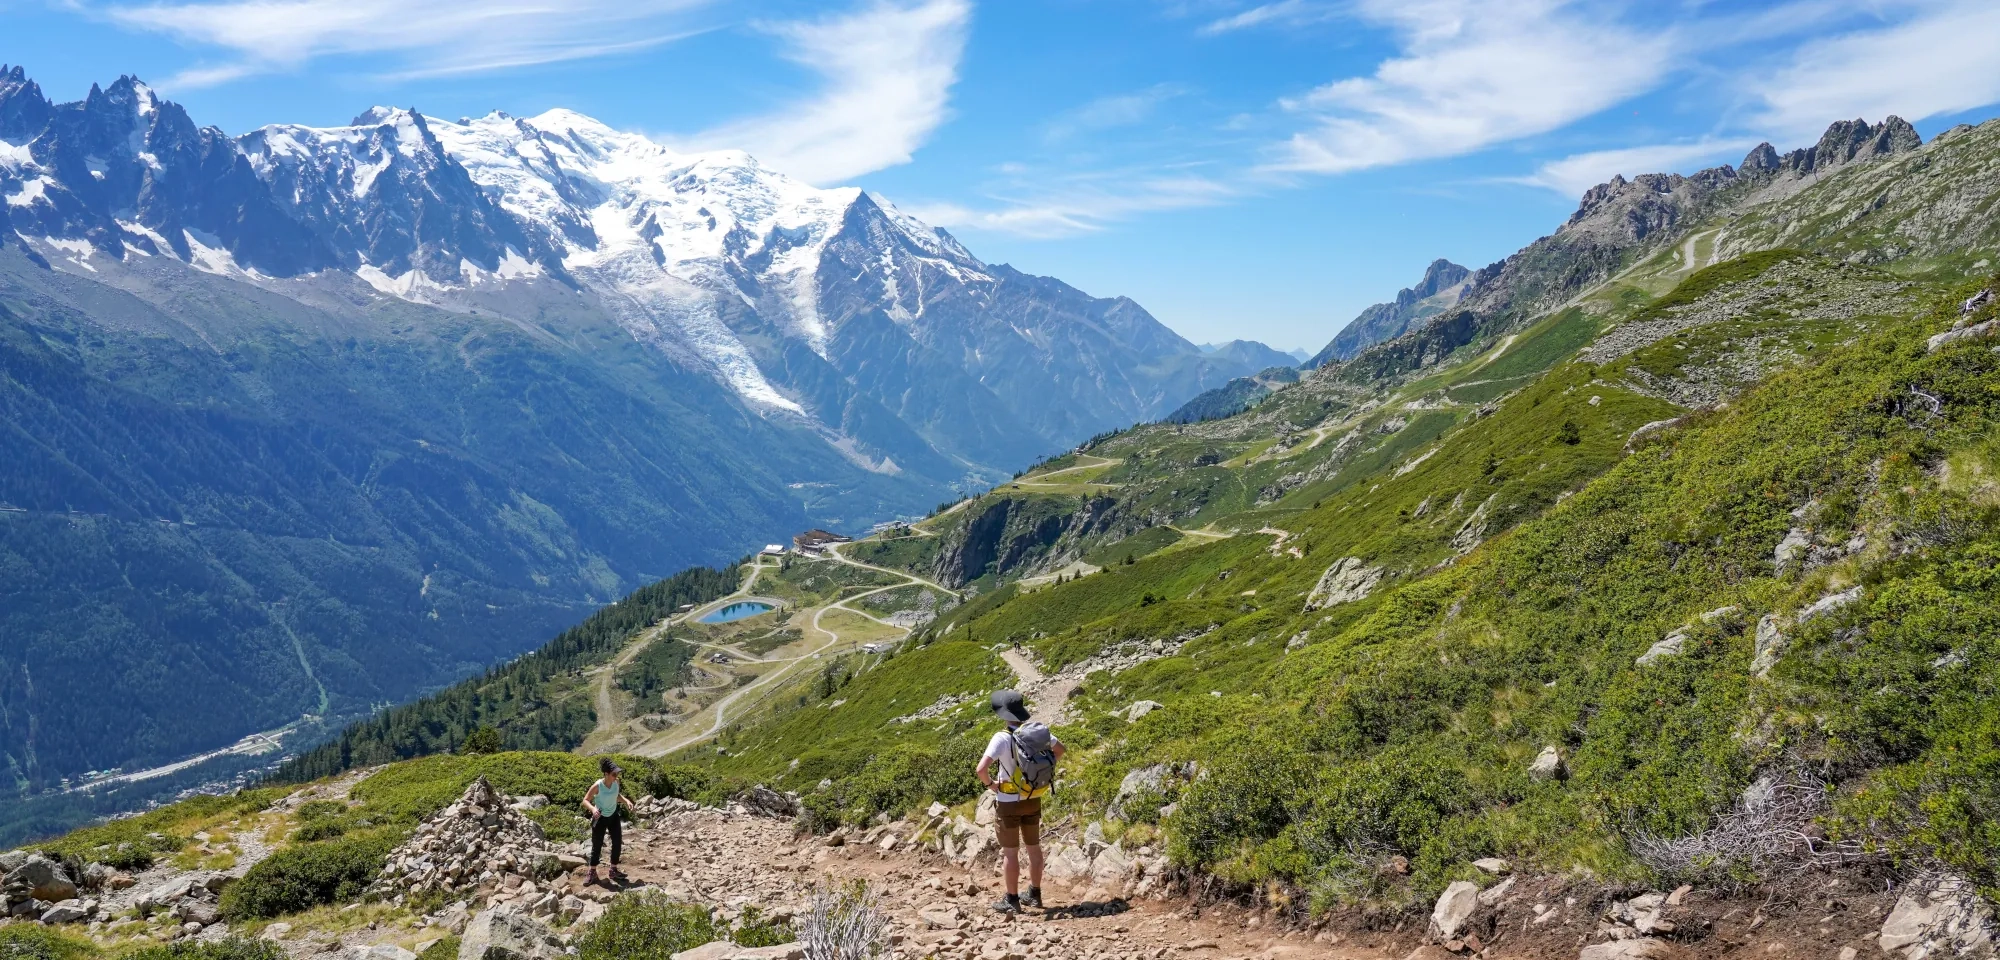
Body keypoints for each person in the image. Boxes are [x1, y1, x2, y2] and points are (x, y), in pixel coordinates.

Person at [974, 689, 1064, 914]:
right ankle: (1034, 894)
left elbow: (981, 769)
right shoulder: (1037, 733)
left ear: (1004, 714)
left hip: (1008, 802)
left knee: (1011, 853)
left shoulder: (1002, 738)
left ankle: (1012, 899)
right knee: (1034, 849)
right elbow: (1060, 750)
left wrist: (991, 785)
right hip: (1033, 797)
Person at [582, 758, 636, 884]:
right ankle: (592, 872)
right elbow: (585, 800)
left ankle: (613, 870)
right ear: (606, 774)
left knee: (617, 842)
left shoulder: (616, 782)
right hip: (600, 817)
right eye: (613, 774)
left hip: (613, 816)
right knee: (597, 845)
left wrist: (626, 801)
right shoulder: (598, 786)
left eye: (617, 773)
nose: (616, 776)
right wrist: (593, 809)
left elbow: (616, 795)